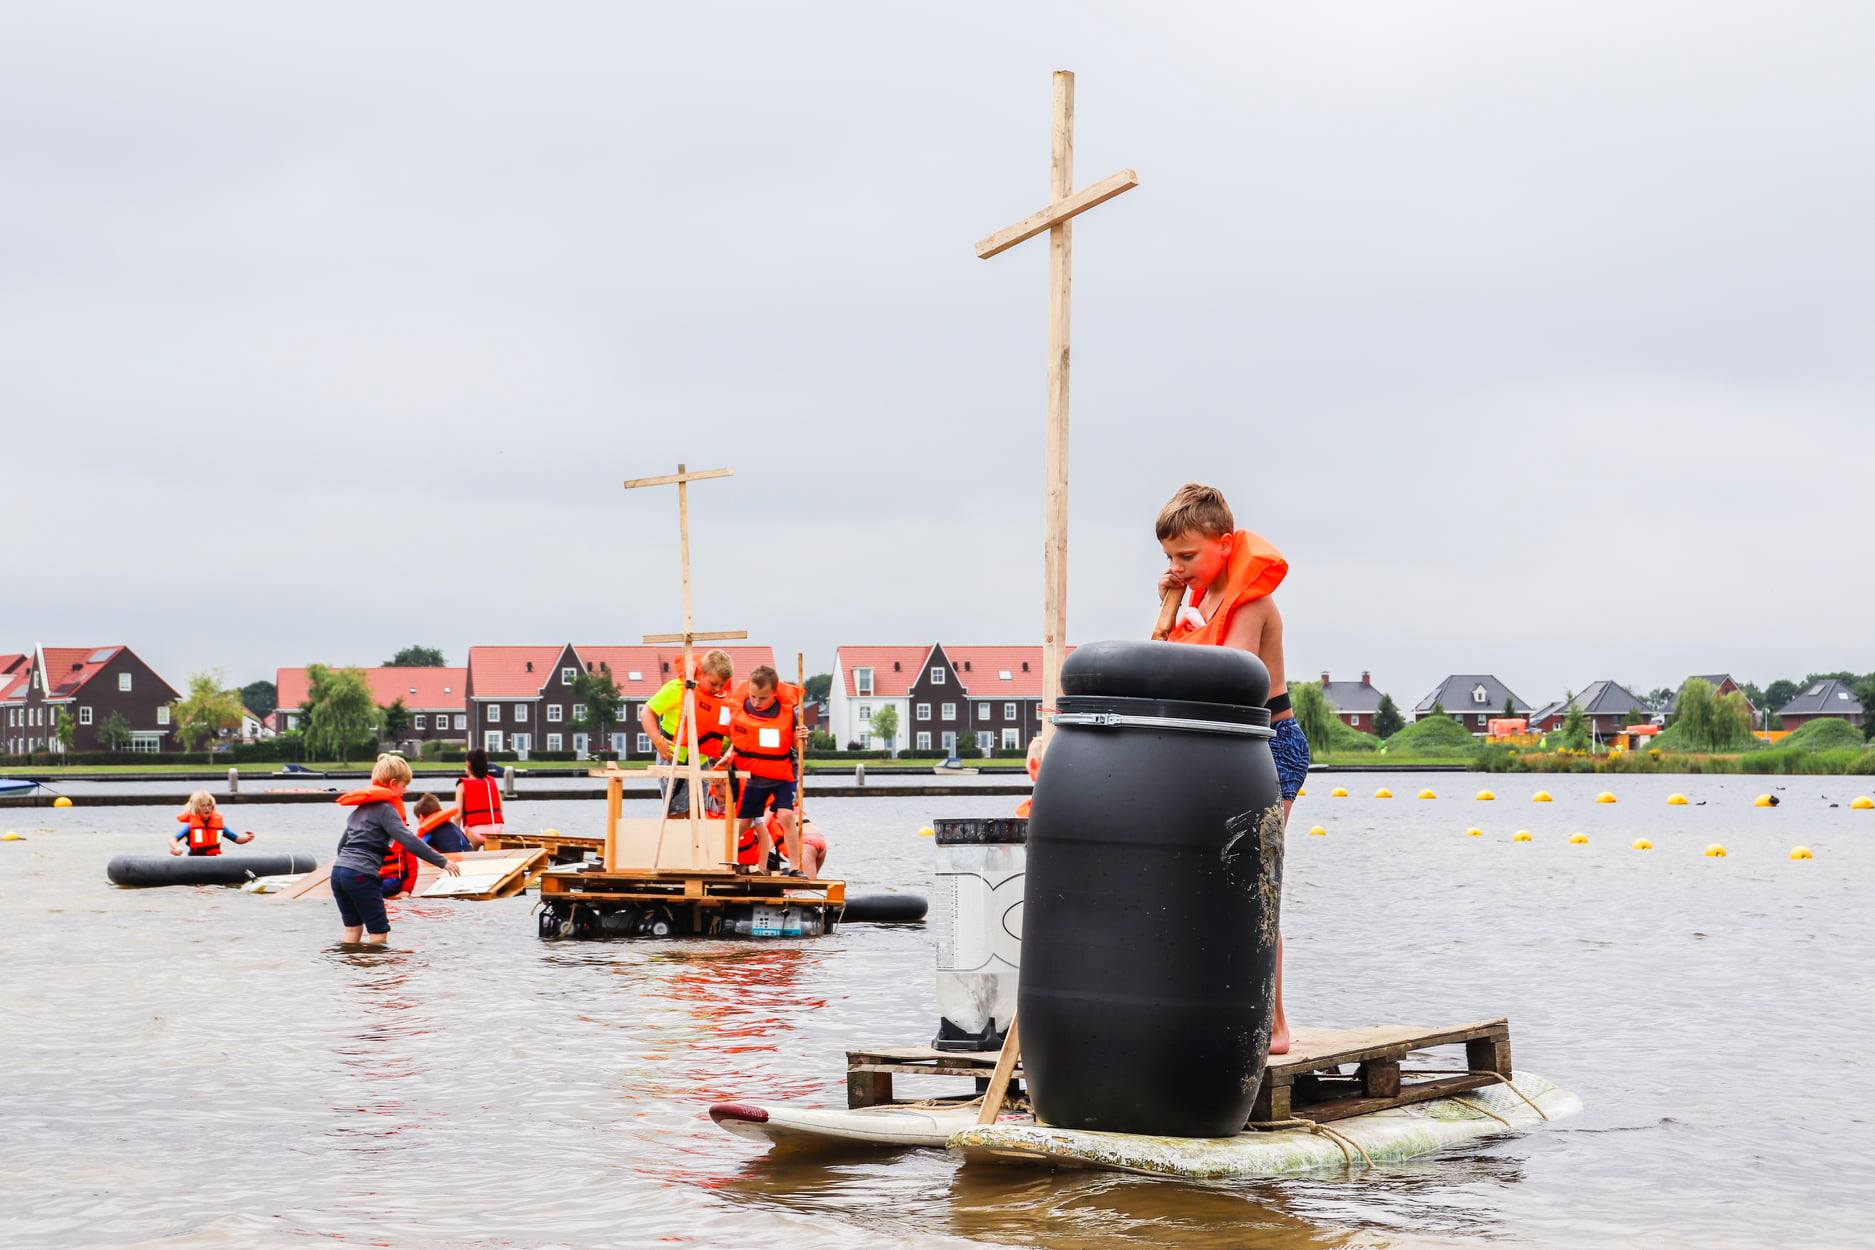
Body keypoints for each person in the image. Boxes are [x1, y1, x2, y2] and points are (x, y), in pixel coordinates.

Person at [1154, 481, 1302, 1055]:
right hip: (1224, 751)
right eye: (1169, 558)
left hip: (1271, 746)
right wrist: (1164, 614)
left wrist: (1171, 640)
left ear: (1224, 543)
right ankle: (1215, 1008)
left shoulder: (1251, 602)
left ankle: (1276, 1022)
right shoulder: (1202, 608)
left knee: (1254, 888)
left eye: (1187, 557)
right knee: (1211, 886)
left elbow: (1228, 674)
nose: (1178, 567)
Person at [332, 753, 459, 945]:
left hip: (338, 873)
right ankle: (375, 975)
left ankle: (349, 970)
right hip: (361, 874)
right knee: (378, 933)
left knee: (353, 929)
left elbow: (341, 846)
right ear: (392, 784)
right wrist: (442, 861)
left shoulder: (358, 811)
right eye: (403, 785)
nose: (405, 791)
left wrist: (349, 868)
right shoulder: (386, 810)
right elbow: (408, 839)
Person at [725, 665, 809, 875]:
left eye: (762, 698)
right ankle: (723, 859)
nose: (756, 702)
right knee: (744, 822)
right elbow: (735, 740)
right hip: (756, 775)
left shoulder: (789, 713)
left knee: (786, 816)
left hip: (782, 773)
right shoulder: (741, 707)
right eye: (753, 696)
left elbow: (799, 748)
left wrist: (802, 739)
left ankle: (796, 867)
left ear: (774, 693)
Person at [641, 649, 735, 817]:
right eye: (714, 683)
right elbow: (646, 712)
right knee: (675, 813)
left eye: (722, 684)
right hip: (674, 759)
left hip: (701, 763)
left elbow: (736, 735)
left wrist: (727, 758)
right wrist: (658, 741)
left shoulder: (720, 702)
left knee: (699, 814)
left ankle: (697, 845)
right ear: (701, 673)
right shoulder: (677, 689)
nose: (718, 689)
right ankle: (675, 843)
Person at [170, 790, 254, 857]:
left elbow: (237, 839)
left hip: (212, 861)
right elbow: (173, 840)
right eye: (203, 806)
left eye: (209, 805)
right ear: (196, 808)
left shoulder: (220, 826)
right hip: (194, 861)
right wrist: (176, 848)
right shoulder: (190, 826)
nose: (207, 808)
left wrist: (247, 838)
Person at [454, 748, 502, 849]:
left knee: (470, 860)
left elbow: (458, 816)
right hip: (495, 829)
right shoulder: (491, 782)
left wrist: (455, 836)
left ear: (468, 764)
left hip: (474, 830)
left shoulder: (462, 785)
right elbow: (500, 808)